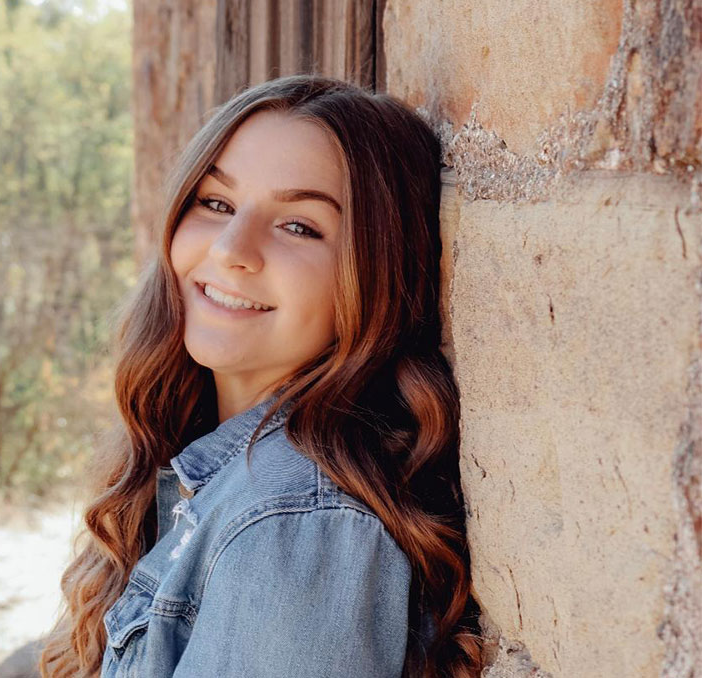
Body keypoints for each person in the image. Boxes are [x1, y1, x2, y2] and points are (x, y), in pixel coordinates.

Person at [39, 74, 483, 678]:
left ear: (376, 274)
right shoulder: (214, 475)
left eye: (299, 225)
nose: (229, 248)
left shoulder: (296, 525)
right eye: (216, 203)